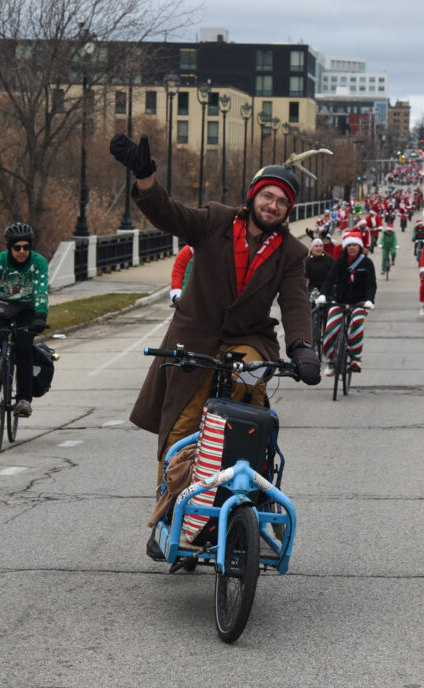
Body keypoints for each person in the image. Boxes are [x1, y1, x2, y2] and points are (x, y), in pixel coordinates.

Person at [107, 133, 322, 488]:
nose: (272, 205)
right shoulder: (215, 220)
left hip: (249, 338)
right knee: (184, 424)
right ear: (253, 195)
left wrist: (302, 346)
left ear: (289, 210)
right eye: (267, 196)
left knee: (246, 394)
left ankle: (242, 484)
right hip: (194, 337)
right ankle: (170, 512)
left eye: (282, 201)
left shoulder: (292, 253)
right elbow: (169, 214)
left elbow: (296, 302)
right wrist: (145, 176)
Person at [0, 222, 50, 418]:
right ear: (9, 247)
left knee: (23, 349)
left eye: (26, 247)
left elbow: (41, 293)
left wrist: (40, 317)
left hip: (27, 310)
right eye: (17, 248)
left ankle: (23, 399)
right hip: (2, 308)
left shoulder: (38, 262)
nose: (22, 251)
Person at [318, 229, 378, 374]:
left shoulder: (367, 262)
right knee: (330, 328)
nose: (352, 247)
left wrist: (369, 300)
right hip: (339, 301)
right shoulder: (339, 262)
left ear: (360, 247)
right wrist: (323, 295)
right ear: (345, 247)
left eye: (355, 245)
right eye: (349, 245)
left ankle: (356, 358)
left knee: (356, 324)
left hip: (359, 303)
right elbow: (329, 279)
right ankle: (331, 362)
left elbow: (371, 284)